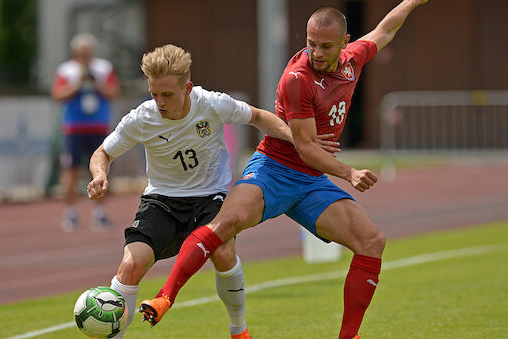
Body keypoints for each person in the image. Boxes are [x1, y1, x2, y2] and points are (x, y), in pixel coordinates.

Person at [138, 1, 429, 338]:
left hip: (310, 182)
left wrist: (410, 2)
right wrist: (349, 173)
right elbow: (305, 148)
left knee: (371, 241)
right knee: (225, 223)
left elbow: (385, 30)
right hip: (274, 169)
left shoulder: (353, 61)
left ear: (345, 42)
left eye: (325, 46)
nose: (316, 52)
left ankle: (349, 336)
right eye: (310, 43)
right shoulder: (297, 78)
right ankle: (164, 298)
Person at [86, 44, 340, 338]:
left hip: (211, 198)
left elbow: (258, 117)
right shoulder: (141, 118)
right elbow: (102, 153)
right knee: (130, 266)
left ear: (188, 88)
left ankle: (239, 330)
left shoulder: (212, 104)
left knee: (222, 252)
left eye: (167, 94)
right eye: (154, 93)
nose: (159, 102)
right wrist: (99, 175)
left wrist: (301, 142)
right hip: (161, 201)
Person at [51, 32, 120, 231]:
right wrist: (78, 83)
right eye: (82, 53)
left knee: (100, 170)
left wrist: (96, 82)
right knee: (71, 171)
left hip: (98, 127)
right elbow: (57, 94)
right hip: (74, 128)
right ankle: (70, 213)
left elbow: (113, 91)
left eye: (88, 52)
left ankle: (100, 213)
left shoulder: (103, 68)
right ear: (76, 53)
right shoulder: (67, 70)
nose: (85, 56)